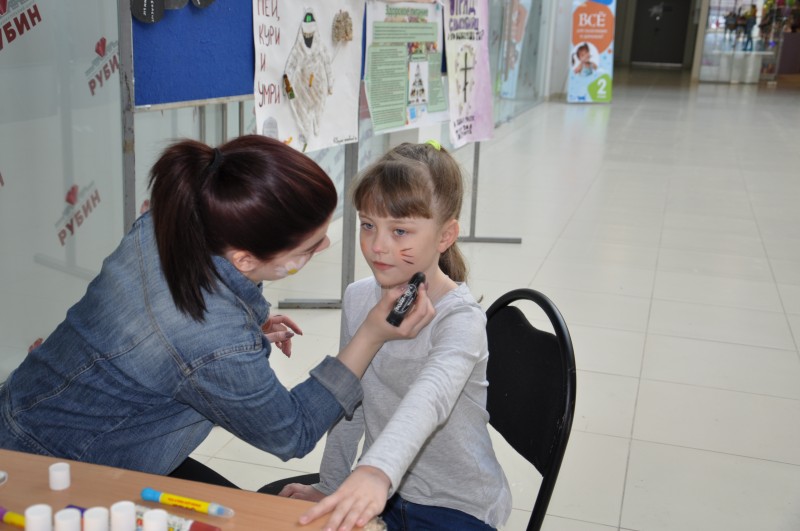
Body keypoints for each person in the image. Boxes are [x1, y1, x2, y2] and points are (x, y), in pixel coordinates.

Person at [0, 135, 434, 484]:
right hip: (51, 472)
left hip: (26, 415)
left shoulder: (170, 223)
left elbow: (162, 341)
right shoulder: (212, 340)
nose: (325, 247)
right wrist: (370, 334)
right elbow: (292, 431)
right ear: (244, 259)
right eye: (308, 248)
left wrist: (242, 332)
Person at [278, 141, 512, 531]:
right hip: (381, 493)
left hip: (456, 505)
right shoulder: (358, 298)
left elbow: (430, 398)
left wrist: (376, 470)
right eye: (368, 224)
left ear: (445, 236)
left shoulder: (460, 319)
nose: (377, 246)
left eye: (400, 231)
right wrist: (330, 484)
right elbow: (349, 403)